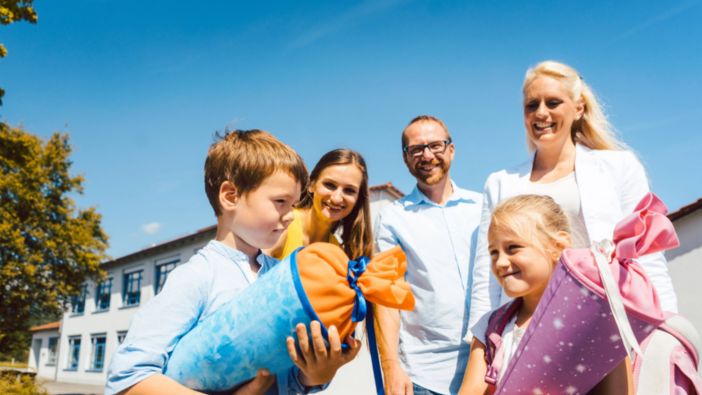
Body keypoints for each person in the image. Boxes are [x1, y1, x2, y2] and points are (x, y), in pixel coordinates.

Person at [106, 130, 361, 395]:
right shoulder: (197, 276)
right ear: (230, 196)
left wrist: (316, 374)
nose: (290, 216)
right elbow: (128, 378)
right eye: (280, 202)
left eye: (294, 203)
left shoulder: (281, 275)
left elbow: (288, 382)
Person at [468, 60, 678, 337]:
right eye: (532, 105)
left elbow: (647, 257)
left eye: (553, 103)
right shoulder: (500, 183)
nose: (541, 113)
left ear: (578, 108)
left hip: (606, 323)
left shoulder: (620, 167)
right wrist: (481, 341)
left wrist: (668, 328)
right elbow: (487, 274)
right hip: (527, 331)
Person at [458, 194, 632, 395]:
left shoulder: (596, 324)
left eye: (513, 248)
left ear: (558, 247)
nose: (500, 262)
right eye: (494, 252)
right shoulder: (490, 329)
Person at [375, 115, 483, 395]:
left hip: (487, 362)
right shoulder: (392, 218)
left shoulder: (484, 206)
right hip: (423, 375)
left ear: (451, 149)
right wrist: (391, 368)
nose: (427, 155)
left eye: (435, 145)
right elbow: (387, 298)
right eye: (416, 149)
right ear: (405, 158)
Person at [268, 149, 373, 260]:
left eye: (349, 190)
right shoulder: (283, 225)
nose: (336, 198)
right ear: (311, 185)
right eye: (330, 185)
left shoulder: (336, 251)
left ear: (358, 199)